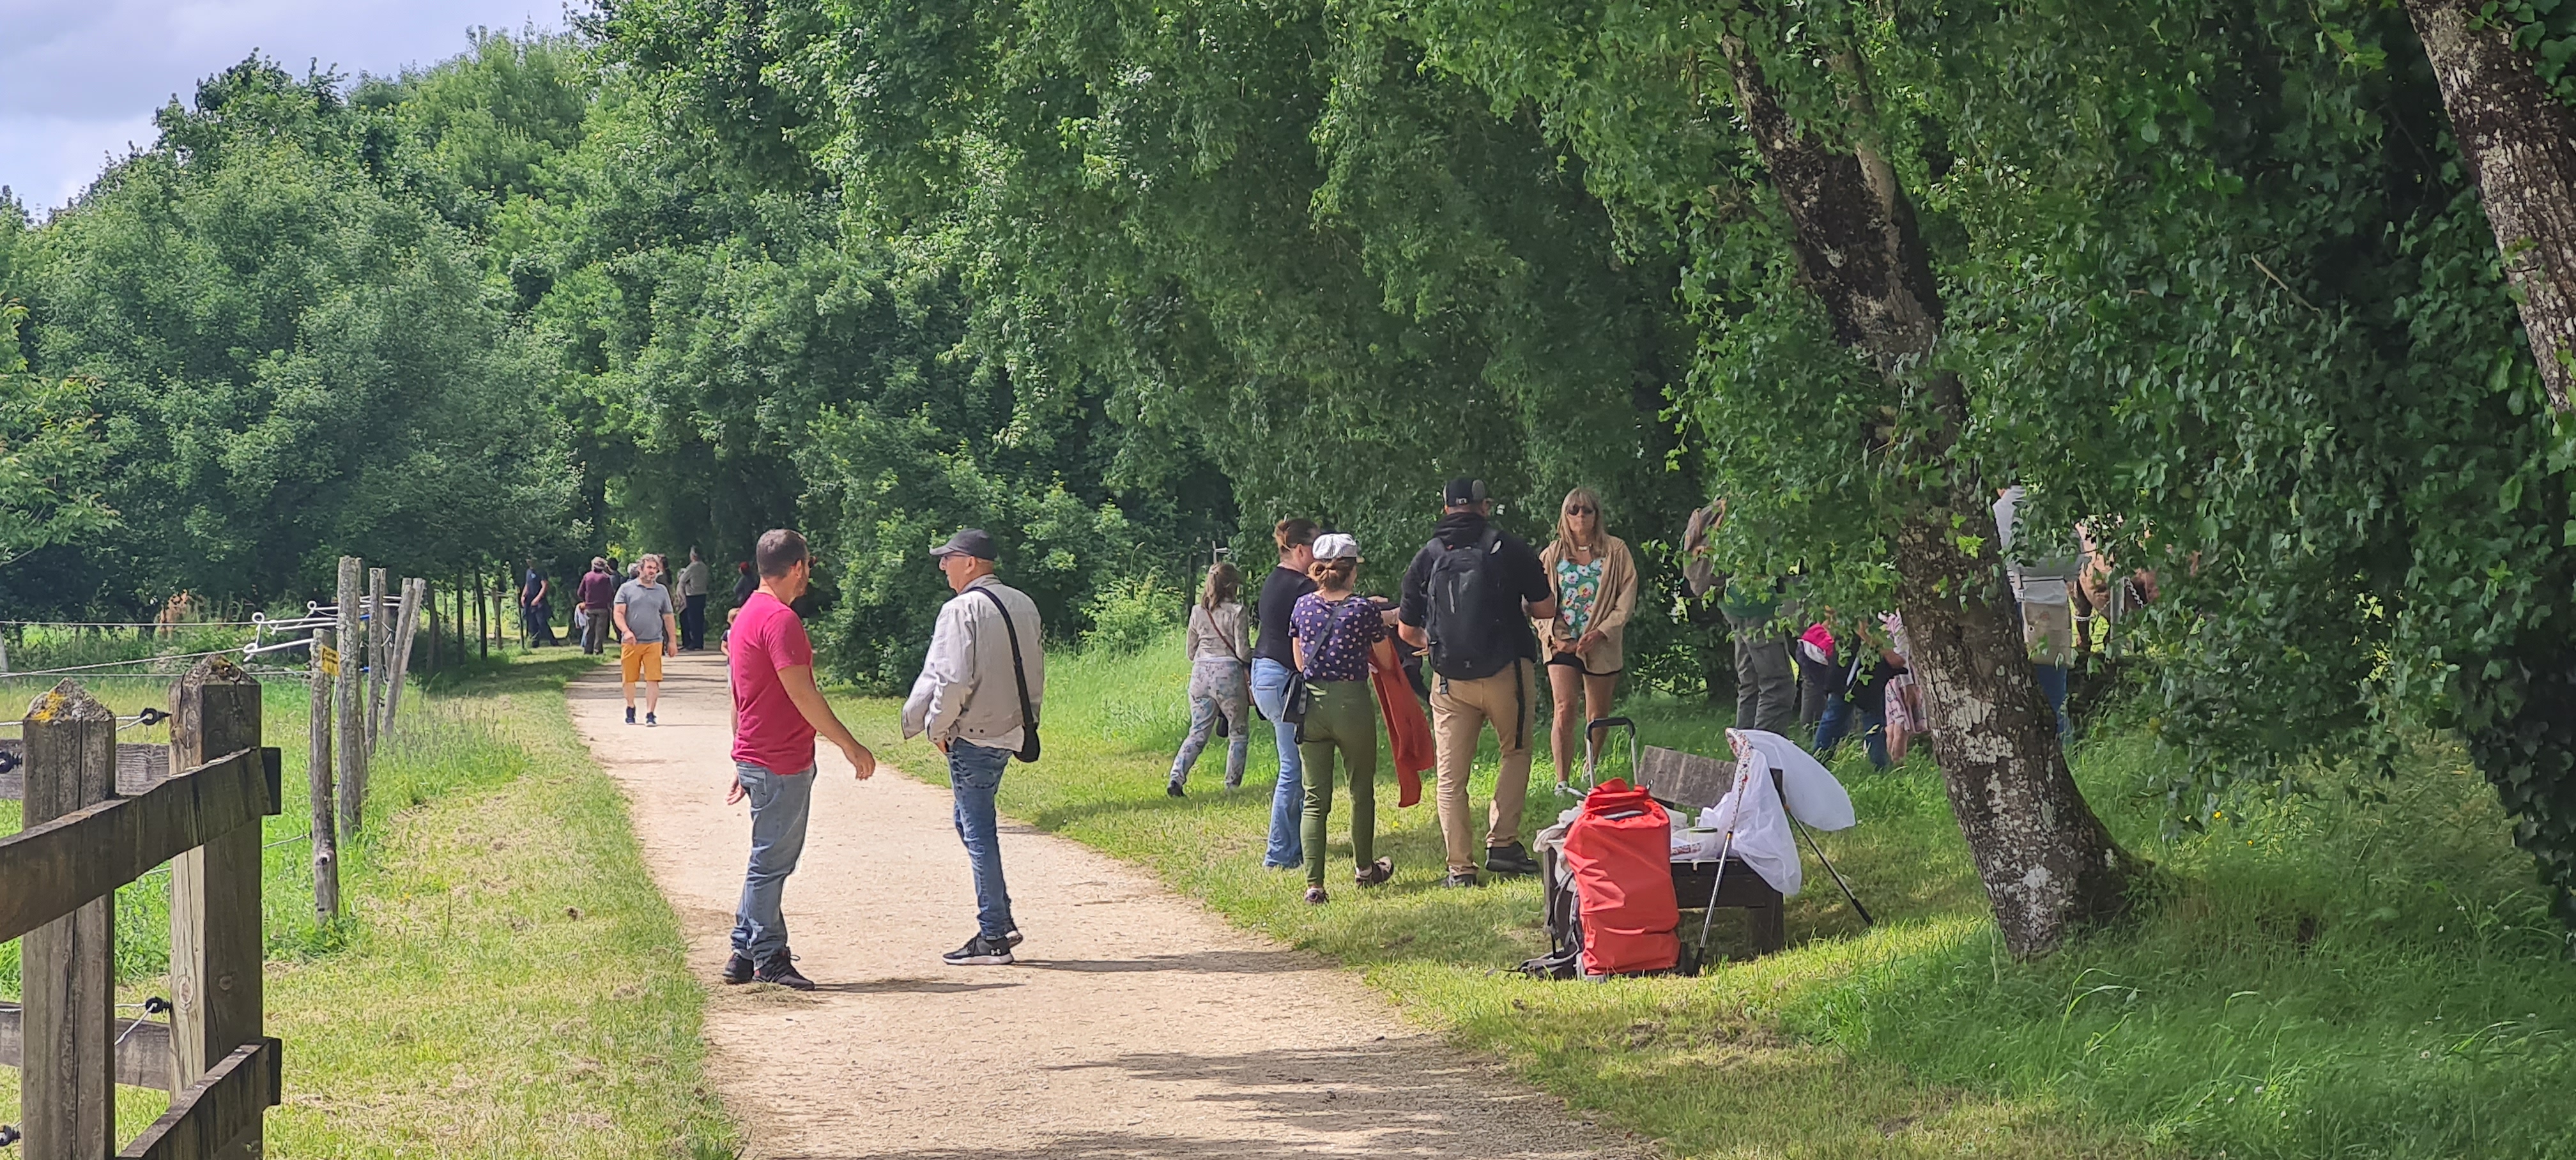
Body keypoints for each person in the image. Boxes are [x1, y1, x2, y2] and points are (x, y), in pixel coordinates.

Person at [723, 528, 878, 991]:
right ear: (797, 568)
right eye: (808, 565)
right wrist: (850, 745)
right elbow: (802, 692)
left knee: (766, 860)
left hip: (759, 754)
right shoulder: (779, 619)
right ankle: (769, 954)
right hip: (780, 760)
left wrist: (741, 751)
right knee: (770, 863)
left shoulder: (747, 615)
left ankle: (743, 952)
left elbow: (739, 695)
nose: (809, 573)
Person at [1399, 478, 1558, 888]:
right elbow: (1545, 607)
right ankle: (1503, 845)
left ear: (1446, 508)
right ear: (1486, 506)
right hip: (1507, 672)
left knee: (1451, 778)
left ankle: (1460, 869)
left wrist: (1435, 647)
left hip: (1450, 681)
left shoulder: (1428, 556)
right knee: (1516, 752)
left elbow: (1405, 630)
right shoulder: (1509, 547)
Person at [903, 528, 1046, 967]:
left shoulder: (960, 609)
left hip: (973, 733)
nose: (942, 567)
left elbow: (951, 680)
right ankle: (1000, 919)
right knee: (970, 824)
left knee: (978, 830)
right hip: (1011, 731)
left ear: (970, 562)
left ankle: (993, 935)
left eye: (947, 559)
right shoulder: (1024, 603)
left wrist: (936, 728)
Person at [1290, 534, 1397, 903]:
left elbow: (1300, 661)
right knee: (1360, 790)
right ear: (1351, 572)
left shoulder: (1302, 607)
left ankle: (1314, 885)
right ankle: (1365, 870)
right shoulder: (1363, 610)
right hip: (1351, 704)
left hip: (1312, 708)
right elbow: (1384, 660)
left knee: (1315, 798)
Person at [1537, 487, 1637, 794]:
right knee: (1565, 707)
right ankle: (1562, 781)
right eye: (1574, 510)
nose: (1580, 516)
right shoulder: (1551, 554)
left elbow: (1626, 600)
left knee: (1598, 715)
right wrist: (1554, 635)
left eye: (1587, 510)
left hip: (1602, 641)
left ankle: (1589, 769)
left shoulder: (1617, 551)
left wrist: (1603, 632)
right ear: (1564, 516)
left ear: (1597, 515)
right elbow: (1536, 602)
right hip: (1562, 642)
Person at [1682, 499, 1797, 735]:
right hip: (1756, 605)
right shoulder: (1757, 502)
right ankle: (1762, 759)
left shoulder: (1729, 499)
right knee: (1778, 686)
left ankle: (1745, 757)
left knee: (1751, 684)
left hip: (1734, 603)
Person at [1249, 518, 1319, 869]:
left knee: (1292, 766)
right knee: (1293, 770)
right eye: (1316, 547)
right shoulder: (1302, 585)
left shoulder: (1275, 580)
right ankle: (1279, 854)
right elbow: (1331, 609)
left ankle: (1291, 848)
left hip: (1265, 675)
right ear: (1302, 550)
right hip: (1281, 679)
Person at [1993, 485, 2082, 738]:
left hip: (2020, 605)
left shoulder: (2000, 512)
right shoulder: (2052, 507)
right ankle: (2064, 753)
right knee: (2056, 695)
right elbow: (2075, 558)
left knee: (2015, 694)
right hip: (2056, 606)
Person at [1169, 561, 1250, 797]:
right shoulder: (1237, 612)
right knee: (1238, 732)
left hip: (1200, 675)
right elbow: (1242, 652)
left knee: (1197, 731)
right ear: (1232, 586)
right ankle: (1231, 786)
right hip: (1228, 675)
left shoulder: (1197, 612)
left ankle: (1176, 777)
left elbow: (1190, 652)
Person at [615, 554, 680, 726]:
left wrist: (672, 641)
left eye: (655, 569)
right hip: (632, 642)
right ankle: (630, 707)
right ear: (640, 569)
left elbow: (668, 616)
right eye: (649, 568)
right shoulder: (626, 589)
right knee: (629, 679)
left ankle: (651, 714)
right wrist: (626, 631)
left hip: (654, 641)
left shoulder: (661, 591)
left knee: (653, 679)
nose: (652, 572)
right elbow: (618, 613)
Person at [578, 557, 618, 655]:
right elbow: (610, 593)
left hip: (590, 608)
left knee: (589, 629)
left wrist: (586, 600)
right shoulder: (606, 578)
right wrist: (608, 603)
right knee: (600, 630)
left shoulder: (587, 577)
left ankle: (588, 650)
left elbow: (580, 592)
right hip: (603, 608)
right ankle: (598, 650)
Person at [679, 548, 713, 651]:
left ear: (693, 556)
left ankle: (694, 642)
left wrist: (683, 594)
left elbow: (682, 580)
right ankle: (700, 642)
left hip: (692, 595)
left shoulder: (692, 567)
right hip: (702, 594)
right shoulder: (704, 567)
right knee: (700, 619)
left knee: (693, 620)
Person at [521, 561, 556, 647]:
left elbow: (545, 585)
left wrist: (538, 598)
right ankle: (535, 643)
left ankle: (553, 641)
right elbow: (527, 585)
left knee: (542, 622)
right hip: (529, 601)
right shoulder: (528, 572)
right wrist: (523, 596)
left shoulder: (541, 572)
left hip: (540, 602)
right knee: (532, 623)